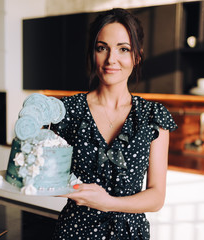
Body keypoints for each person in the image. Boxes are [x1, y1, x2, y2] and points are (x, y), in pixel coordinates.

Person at [51, 8, 177, 239]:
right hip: (74, 232)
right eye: (102, 48)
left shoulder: (153, 116)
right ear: (93, 53)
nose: (111, 59)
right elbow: (47, 177)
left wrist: (108, 202)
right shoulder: (66, 110)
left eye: (123, 49)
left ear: (136, 56)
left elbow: (157, 197)